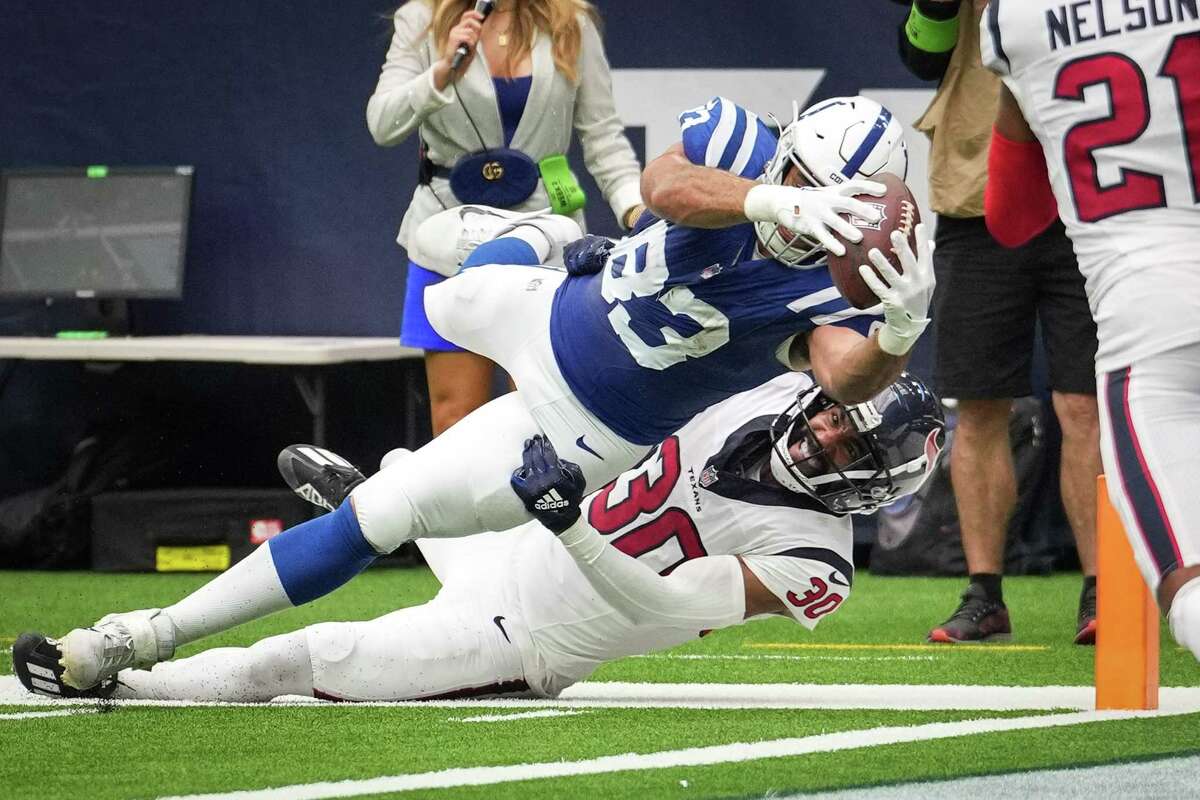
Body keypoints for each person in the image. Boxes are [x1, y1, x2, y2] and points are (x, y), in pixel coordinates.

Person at [12, 93, 935, 694]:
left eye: (828, 201)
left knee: (371, 525)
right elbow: (668, 184)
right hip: (561, 310)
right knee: (441, 270)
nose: (823, 440)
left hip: (573, 430)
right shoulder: (745, 155)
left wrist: (899, 326)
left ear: (861, 218)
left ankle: (135, 642)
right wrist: (768, 204)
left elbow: (845, 375)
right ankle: (540, 234)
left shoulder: (830, 300)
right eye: (797, 179)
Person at [13, 372, 946, 701]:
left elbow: (658, 600)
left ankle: (129, 677)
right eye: (834, 415)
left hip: (527, 638)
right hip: (519, 542)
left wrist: (571, 523)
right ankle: (374, 503)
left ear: (878, 479)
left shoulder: (818, 562)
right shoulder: (778, 386)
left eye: (849, 442)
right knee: (403, 484)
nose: (825, 431)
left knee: (299, 659)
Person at [978, 2, 1200, 660]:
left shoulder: (1011, 23)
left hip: (1153, 330)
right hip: (1151, 324)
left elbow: (1012, 217)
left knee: (1187, 578)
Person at [896, 0, 1102, 645]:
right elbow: (921, 56)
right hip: (975, 189)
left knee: (1084, 404)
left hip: (1090, 188)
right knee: (980, 405)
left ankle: (1106, 591)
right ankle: (984, 595)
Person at [369, 0, 645, 436]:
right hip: (448, 236)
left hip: (547, 239)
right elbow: (382, 124)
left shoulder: (571, 22)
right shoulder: (420, 19)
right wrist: (439, 74)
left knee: (544, 417)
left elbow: (603, 136)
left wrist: (636, 208)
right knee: (456, 421)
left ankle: (543, 508)